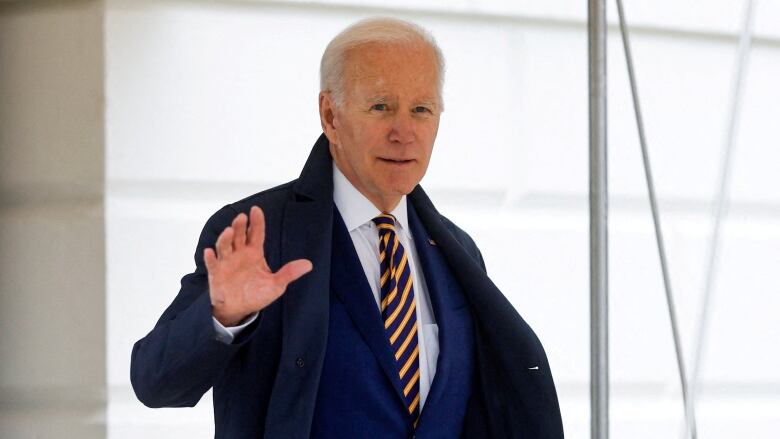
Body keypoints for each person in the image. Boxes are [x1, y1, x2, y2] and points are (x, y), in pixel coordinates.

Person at [131, 17, 563, 439]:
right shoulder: (258, 235)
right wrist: (224, 316)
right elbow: (155, 383)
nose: (404, 132)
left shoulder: (458, 251)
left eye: (421, 109)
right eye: (381, 107)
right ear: (330, 116)